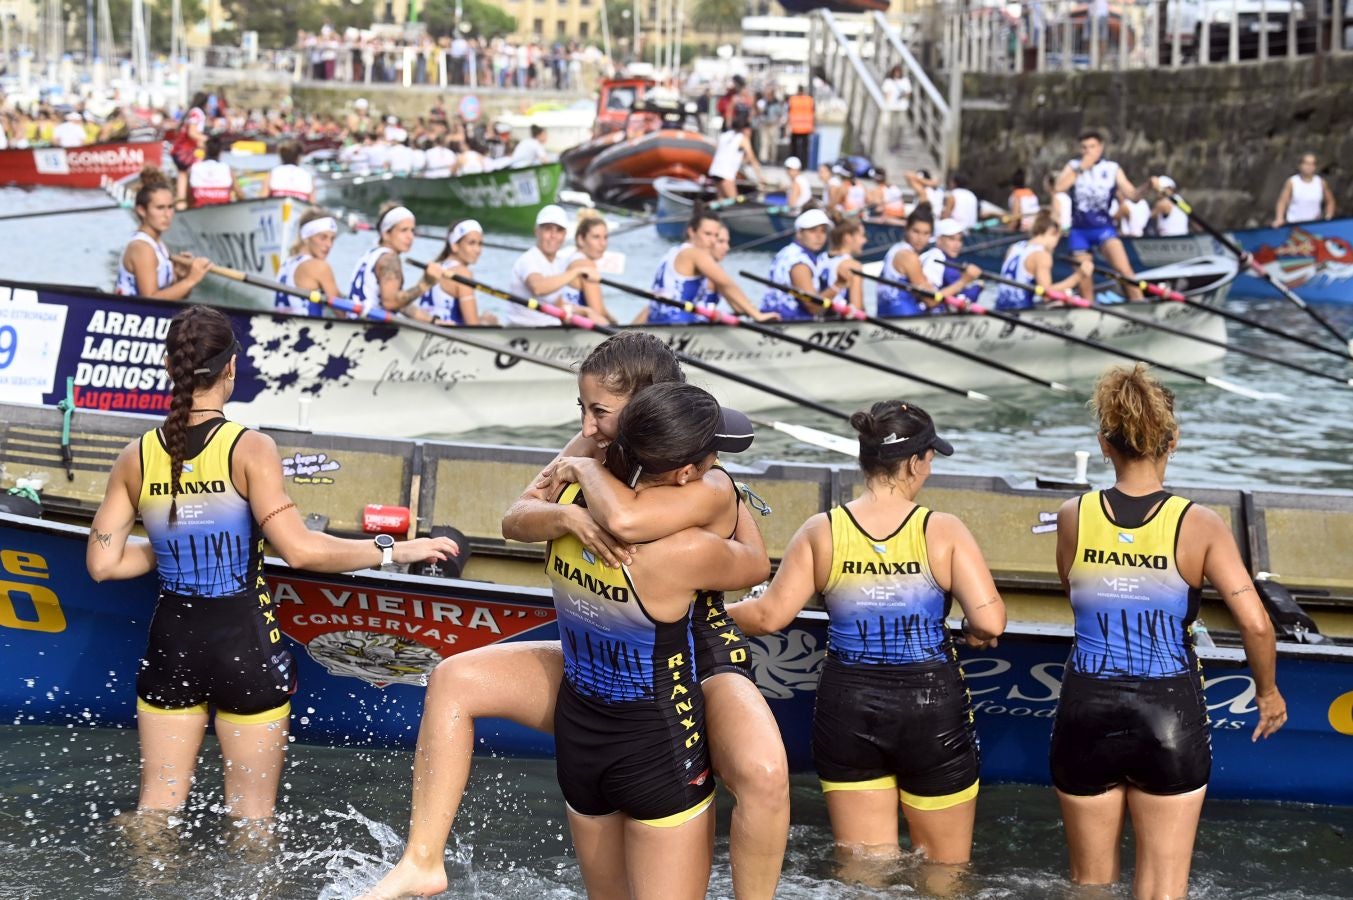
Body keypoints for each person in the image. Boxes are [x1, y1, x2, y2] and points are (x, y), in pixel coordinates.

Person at [360, 334, 791, 900]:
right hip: (600, 662)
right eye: (582, 410)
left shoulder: (702, 484)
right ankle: (421, 861)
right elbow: (517, 517)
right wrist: (569, 518)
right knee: (454, 679)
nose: (587, 426)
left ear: (646, 408)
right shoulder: (591, 444)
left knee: (763, 774)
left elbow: (630, 523)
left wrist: (577, 486)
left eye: (600, 412)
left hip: (695, 652)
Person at [85, 306, 457, 833]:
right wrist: (396, 550)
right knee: (253, 824)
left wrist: (176, 544)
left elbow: (102, 563)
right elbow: (301, 551)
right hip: (244, 645)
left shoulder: (135, 455)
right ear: (231, 368)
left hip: (172, 644)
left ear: (171, 368)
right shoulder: (250, 448)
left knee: (156, 812)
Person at [728, 401, 1005, 884]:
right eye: (931, 458)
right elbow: (991, 620)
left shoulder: (822, 530)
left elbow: (769, 615)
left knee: (865, 873)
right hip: (930, 707)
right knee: (944, 872)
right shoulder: (942, 529)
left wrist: (699, 614)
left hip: (848, 709)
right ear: (917, 462)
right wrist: (975, 632)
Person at [1051, 364, 1286, 899]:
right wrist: (1268, 693)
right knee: (1161, 890)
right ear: (1172, 441)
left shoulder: (1073, 515)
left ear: (1103, 445)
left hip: (1086, 706)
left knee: (1089, 886)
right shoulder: (1199, 523)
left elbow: (1075, 590)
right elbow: (1255, 623)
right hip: (1167, 713)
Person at [542, 383, 771, 899]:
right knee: (765, 778)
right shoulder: (687, 548)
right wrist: (729, 501)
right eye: (711, 458)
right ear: (687, 472)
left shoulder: (568, 503)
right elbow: (756, 565)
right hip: (658, 746)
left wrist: (580, 467)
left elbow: (515, 519)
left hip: (578, 735)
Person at [1054, 130, 1156, 301]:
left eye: (1092, 147)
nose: (1088, 151)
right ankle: (1089, 309)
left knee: (1124, 270)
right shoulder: (1073, 166)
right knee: (1084, 277)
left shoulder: (1112, 168)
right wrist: (1081, 168)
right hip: (1079, 231)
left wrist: (1148, 186)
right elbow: (1059, 187)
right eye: (1084, 148)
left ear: (1100, 148)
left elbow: (1133, 196)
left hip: (1103, 228)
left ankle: (1139, 303)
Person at [641, 208, 778, 325]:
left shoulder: (672, 253)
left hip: (657, 322)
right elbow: (727, 284)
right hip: (678, 323)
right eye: (707, 234)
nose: (712, 241)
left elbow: (737, 306)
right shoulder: (694, 253)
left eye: (715, 235)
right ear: (691, 232)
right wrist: (757, 315)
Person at [114, 167, 212, 300]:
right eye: (160, 208)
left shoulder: (159, 244)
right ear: (142, 210)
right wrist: (191, 280)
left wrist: (181, 278)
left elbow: (173, 297)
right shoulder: (142, 247)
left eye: (170, 207)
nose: (167, 215)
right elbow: (150, 300)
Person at [875, 205, 981, 317]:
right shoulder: (909, 257)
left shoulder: (895, 249)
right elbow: (931, 301)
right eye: (916, 231)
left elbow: (935, 295)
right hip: (905, 319)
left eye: (926, 233)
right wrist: (963, 281)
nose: (920, 238)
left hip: (886, 315)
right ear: (906, 229)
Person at [347, 202, 444, 317]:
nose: (410, 236)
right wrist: (426, 284)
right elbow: (391, 303)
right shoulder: (389, 259)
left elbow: (401, 305)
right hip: (372, 329)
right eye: (404, 230)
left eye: (412, 230)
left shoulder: (371, 254)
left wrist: (433, 321)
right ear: (386, 234)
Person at [507, 204, 596, 326]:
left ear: (564, 235)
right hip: (525, 330)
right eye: (548, 229)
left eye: (559, 230)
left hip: (549, 329)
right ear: (537, 231)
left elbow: (558, 304)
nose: (553, 236)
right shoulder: (528, 259)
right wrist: (576, 272)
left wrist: (585, 311)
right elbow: (538, 288)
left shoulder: (558, 262)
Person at [994, 212, 1095, 311]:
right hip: (1020, 311)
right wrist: (1079, 276)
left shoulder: (1014, 247)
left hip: (999, 308)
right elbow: (1047, 294)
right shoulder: (1042, 256)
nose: (1056, 245)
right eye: (1057, 238)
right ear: (1052, 232)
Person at [414, 219, 498, 325]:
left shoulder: (433, 267)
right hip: (448, 334)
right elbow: (472, 325)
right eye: (471, 243)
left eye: (480, 244)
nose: (477, 250)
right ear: (455, 246)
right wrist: (487, 322)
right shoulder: (464, 273)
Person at [759, 208, 837, 321]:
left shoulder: (787, 251)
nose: (819, 236)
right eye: (813, 231)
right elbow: (813, 307)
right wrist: (838, 285)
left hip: (774, 317)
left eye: (823, 231)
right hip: (788, 321)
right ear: (799, 233)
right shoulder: (800, 263)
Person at [275, 210, 341, 317]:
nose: (329, 244)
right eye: (322, 237)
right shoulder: (319, 266)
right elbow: (343, 313)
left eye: (332, 239)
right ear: (306, 238)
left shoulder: (287, 262)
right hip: (306, 331)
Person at [557, 212, 620, 324]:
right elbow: (597, 313)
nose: (603, 243)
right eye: (596, 237)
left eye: (605, 237)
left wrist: (613, 320)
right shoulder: (586, 265)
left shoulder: (570, 257)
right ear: (581, 239)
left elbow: (601, 309)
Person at [920, 218, 984, 309]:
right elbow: (932, 299)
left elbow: (959, 297)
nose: (957, 244)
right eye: (952, 239)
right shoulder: (935, 260)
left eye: (960, 240)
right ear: (939, 240)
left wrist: (977, 286)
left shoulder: (943, 258)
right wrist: (966, 282)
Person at [1273, 152, 1336, 226]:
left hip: (1314, 224)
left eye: (1312, 164)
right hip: (1294, 224)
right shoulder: (1292, 182)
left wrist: (1328, 217)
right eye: (1306, 163)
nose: (1309, 166)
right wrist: (1279, 218)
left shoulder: (1321, 182)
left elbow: (1330, 201)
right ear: (1300, 165)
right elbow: (1282, 201)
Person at [708, 121, 765, 201]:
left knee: (721, 201)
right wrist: (761, 177)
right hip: (726, 174)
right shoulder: (742, 138)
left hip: (715, 171)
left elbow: (726, 153)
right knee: (734, 202)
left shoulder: (724, 135)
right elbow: (752, 159)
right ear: (745, 129)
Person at [171, 92, 209, 207]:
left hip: (178, 152)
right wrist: (208, 139)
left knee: (182, 177)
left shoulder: (192, 112)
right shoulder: (197, 113)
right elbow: (192, 133)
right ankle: (195, 204)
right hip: (186, 153)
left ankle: (182, 206)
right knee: (196, 175)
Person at [823, 218, 868, 311]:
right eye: (862, 236)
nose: (865, 240)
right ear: (847, 237)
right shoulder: (853, 266)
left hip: (820, 314)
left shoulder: (820, 259)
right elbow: (857, 308)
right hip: (840, 321)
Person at [187, 135, 237, 207]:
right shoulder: (227, 168)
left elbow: (188, 196)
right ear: (220, 152)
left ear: (205, 150)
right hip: (222, 208)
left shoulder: (194, 168)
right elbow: (240, 194)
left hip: (200, 209)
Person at [787, 84, 814, 166]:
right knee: (804, 149)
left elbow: (788, 113)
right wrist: (813, 126)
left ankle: (793, 164)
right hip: (806, 128)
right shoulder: (809, 100)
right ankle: (804, 164)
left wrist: (787, 126)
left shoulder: (792, 99)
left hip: (794, 127)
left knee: (794, 148)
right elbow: (814, 113)